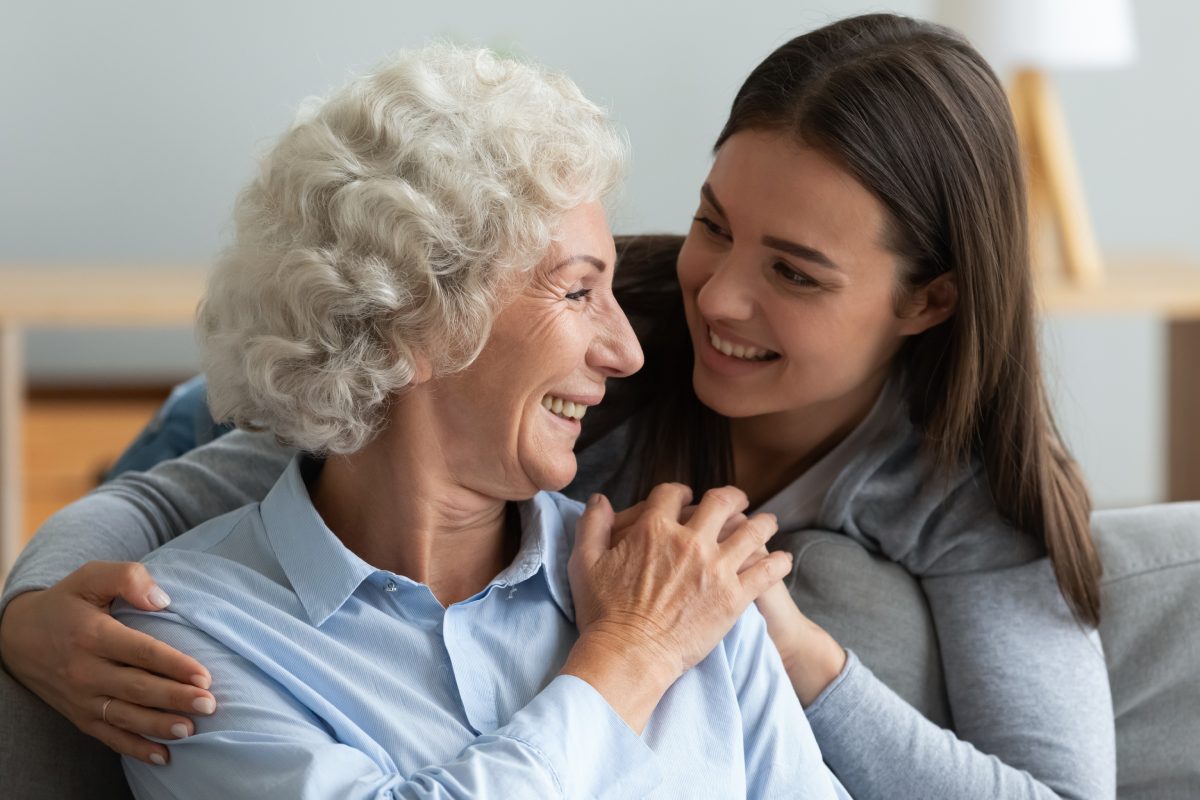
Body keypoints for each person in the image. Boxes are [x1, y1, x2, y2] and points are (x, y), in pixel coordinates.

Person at [1, 13, 1115, 800]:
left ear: (929, 300)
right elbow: (208, 477)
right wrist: (33, 603)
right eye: (713, 223)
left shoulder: (962, 489)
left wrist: (790, 649)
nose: (714, 292)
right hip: (243, 406)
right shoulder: (578, 332)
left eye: (796, 271)